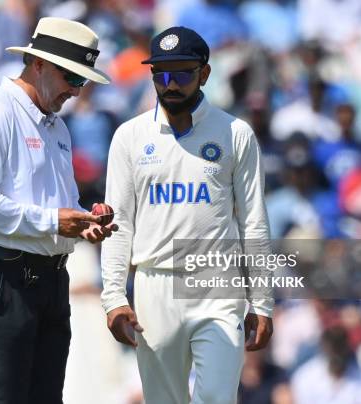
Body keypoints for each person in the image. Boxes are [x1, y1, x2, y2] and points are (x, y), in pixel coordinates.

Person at [101, 26, 274, 404]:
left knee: (215, 397)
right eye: (161, 74)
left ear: (205, 74)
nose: (170, 84)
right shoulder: (129, 137)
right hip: (153, 283)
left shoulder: (235, 133)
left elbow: (254, 222)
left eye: (182, 73)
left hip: (217, 284)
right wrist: (113, 296)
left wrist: (261, 301)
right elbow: (119, 224)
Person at [0, 17, 117, 404]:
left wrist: (82, 223)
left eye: (83, 81)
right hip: (3, 281)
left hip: (50, 282)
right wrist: (55, 221)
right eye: (71, 78)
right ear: (39, 64)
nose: (77, 91)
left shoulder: (56, 127)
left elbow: (57, 207)